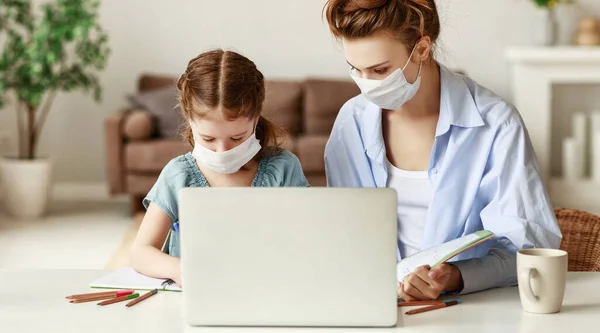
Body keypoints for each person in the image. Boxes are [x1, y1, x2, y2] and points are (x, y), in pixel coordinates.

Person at [322, 0, 561, 301]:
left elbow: (530, 248)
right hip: (367, 302)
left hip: (466, 309)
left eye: (380, 70)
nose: (367, 85)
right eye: (356, 70)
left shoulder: (496, 124)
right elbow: (340, 233)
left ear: (422, 48)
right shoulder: (350, 122)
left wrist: (456, 277)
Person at [130, 49, 309, 286]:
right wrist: (178, 268)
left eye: (237, 138)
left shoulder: (284, 168)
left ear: (256, 117)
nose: (223, 152)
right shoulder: (179, 175)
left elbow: (306, 241)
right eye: (208, 139)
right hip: (197, 299)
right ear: (189, 119)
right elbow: (141, 252)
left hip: (269, 291)